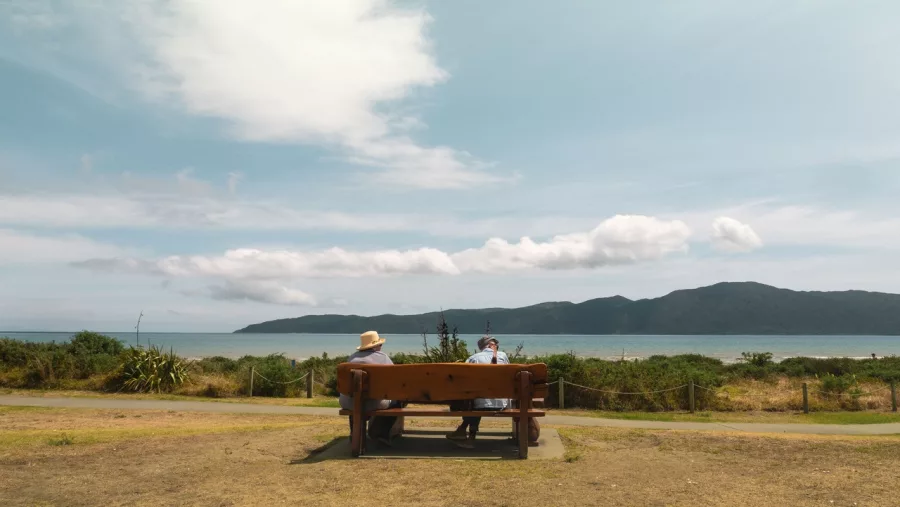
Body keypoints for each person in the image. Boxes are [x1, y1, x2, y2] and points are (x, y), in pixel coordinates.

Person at [339, 331, 401, 446]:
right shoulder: (383, 358)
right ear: (375, 346)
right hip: (375, 404)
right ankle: (380, 434)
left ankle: (355, 433)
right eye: (380, 345)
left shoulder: (352, 358)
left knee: (356, 399)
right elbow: (395, 378)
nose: (381, 347)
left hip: (348, 403)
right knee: (397, 402)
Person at [446, 335, 509, 448]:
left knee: (473, 402)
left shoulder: (473, 358)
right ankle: (461, 432)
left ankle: (469, 437)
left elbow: (463, 380)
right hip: (501, 404)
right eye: (496, 345)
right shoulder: (503, 356)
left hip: (479, 404)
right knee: (476, 401)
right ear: (491, 345)